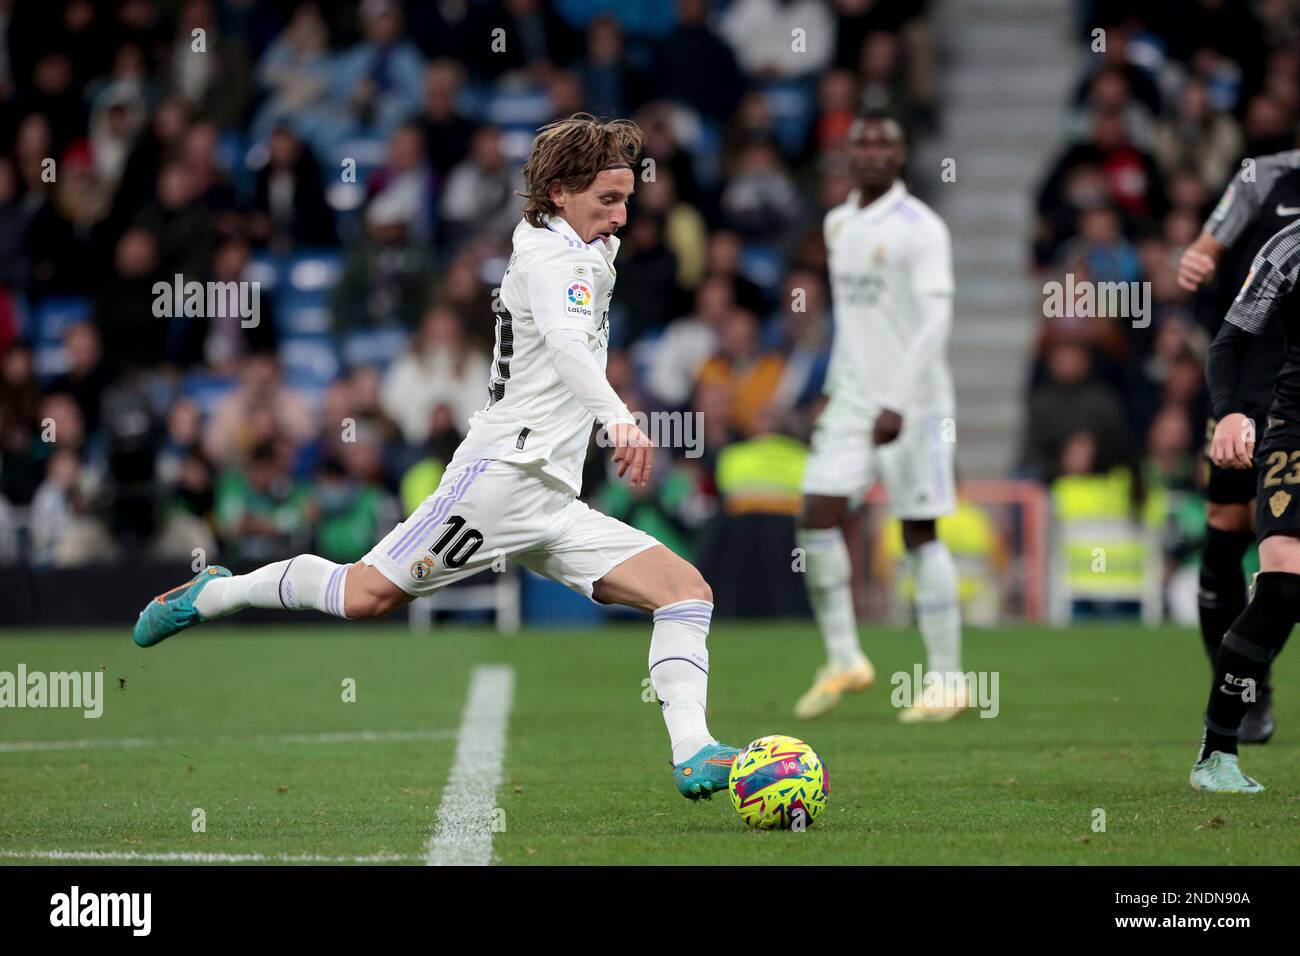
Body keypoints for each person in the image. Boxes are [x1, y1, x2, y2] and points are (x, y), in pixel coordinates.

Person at [132, 114, 739, 800]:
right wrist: (620, 422)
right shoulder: (554, 260)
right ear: (561, 193)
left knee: (686, 592)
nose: (623, 217)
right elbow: (569, 348)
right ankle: (214, 594)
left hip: (550, 500)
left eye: (628, 200)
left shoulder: (568, 241)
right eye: (608, 200)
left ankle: (694, 751)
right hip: (499, 483)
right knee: (364, 595)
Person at [793, 110, 965, 723]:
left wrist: (896, 397)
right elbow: (850, 318)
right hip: (854, 397)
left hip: (913, 400)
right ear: (847, 153)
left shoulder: (922, 229)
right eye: (860, 143)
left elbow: (935, 320)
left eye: (882, 144)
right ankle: (845, 659)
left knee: (918, 529)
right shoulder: (838, 222)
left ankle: (948, 679)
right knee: (816, 516)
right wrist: (835, 388)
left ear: (899, 157)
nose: (869, 153)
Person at [1177, 146, 1300, 744]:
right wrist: (1196, 261)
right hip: (1252, 383)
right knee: (1228, 533)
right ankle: (1247, 693)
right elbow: (1205, 249)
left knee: (1280, 564)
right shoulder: (1264, 174)